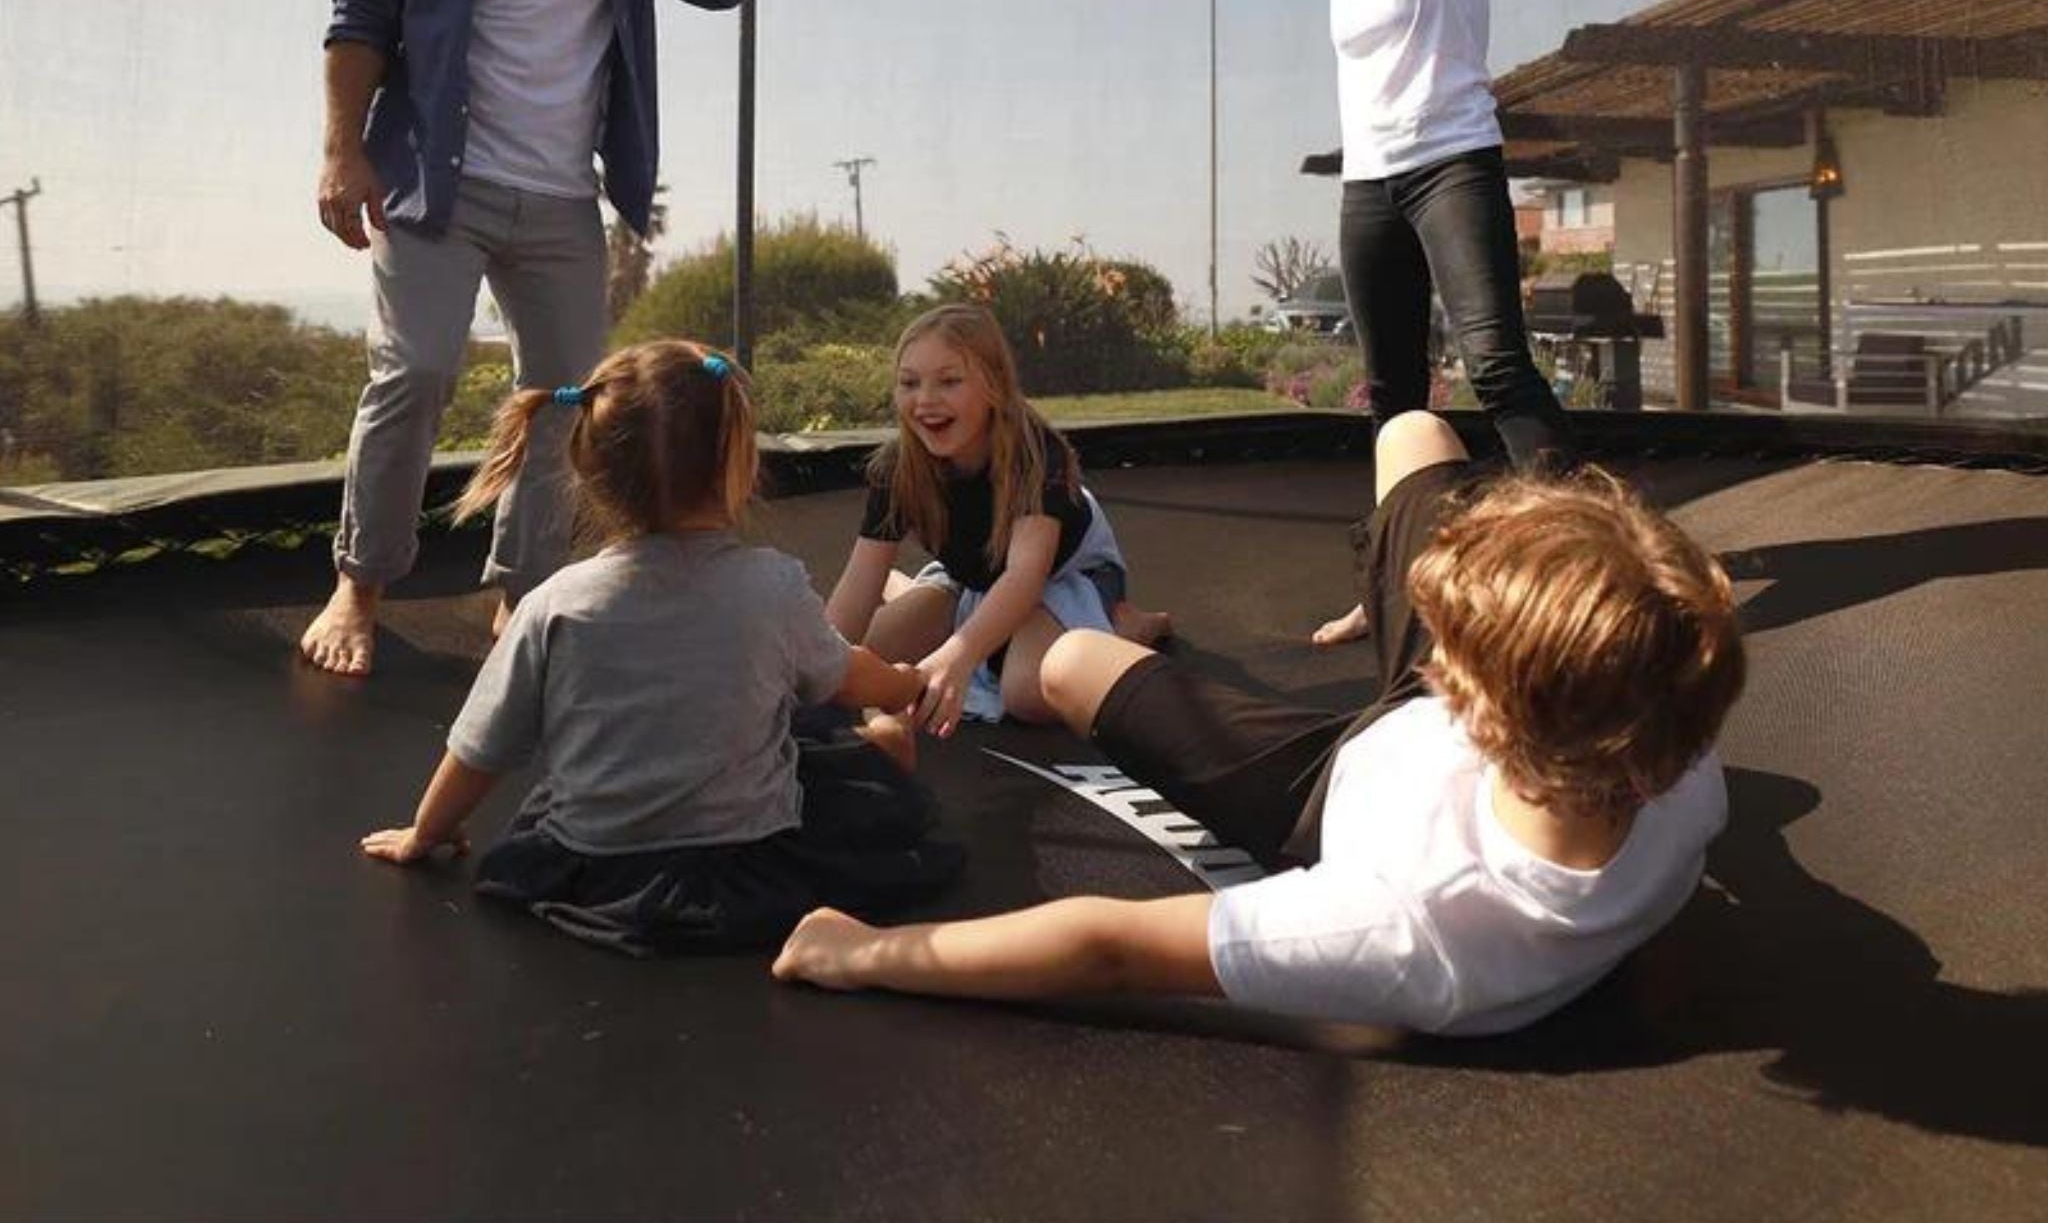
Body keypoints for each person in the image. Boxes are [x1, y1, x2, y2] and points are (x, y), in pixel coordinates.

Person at [774, 410, 1745, 1037]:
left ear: (1474, 702)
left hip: (1316, 787)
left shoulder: (1411, 929)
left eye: (1450, 644)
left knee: (1066, 666)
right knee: (1413, 431)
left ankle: (1002, 600)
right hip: (1453, 728)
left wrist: (861, 953)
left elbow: (1110, 946)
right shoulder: (1670, 738)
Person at [303, 0, 743, 676]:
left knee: (563, 402)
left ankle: (522, 593)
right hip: (437, 179)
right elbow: (361, 11)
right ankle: (359, 584)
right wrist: (342, 150)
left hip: (560, 200)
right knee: (416, 372)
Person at [362, 340, 963, 955]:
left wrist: (426, 831)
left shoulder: (554, 603)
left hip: (596, 863)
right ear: (738, 464)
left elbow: (479, 748)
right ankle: (881, 742)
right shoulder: (770, 585)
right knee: (820, 726)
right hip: (748, 856)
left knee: (782, 715)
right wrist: (907, 685)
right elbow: (852, 677)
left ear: (590, 472)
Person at [1219, 0, 1573, 647]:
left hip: (1452, 163)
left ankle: (1584, 565)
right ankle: (1394, 585)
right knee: (1395, 397)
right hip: (1370, 185)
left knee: (1497, 366)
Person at [824, 305, 1169, 740]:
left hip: (1064, 577)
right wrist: (813, 665)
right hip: (973, 579)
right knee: (869, 657)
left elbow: (1025, 576)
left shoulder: (1034, 454)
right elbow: (861, 579)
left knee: (1028, 692)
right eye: (909, 383)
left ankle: (1127, 628)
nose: (925, 399)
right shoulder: (898, 467)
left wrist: (959, 655)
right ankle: (915, 592)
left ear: (995, 385)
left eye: (949, 381)